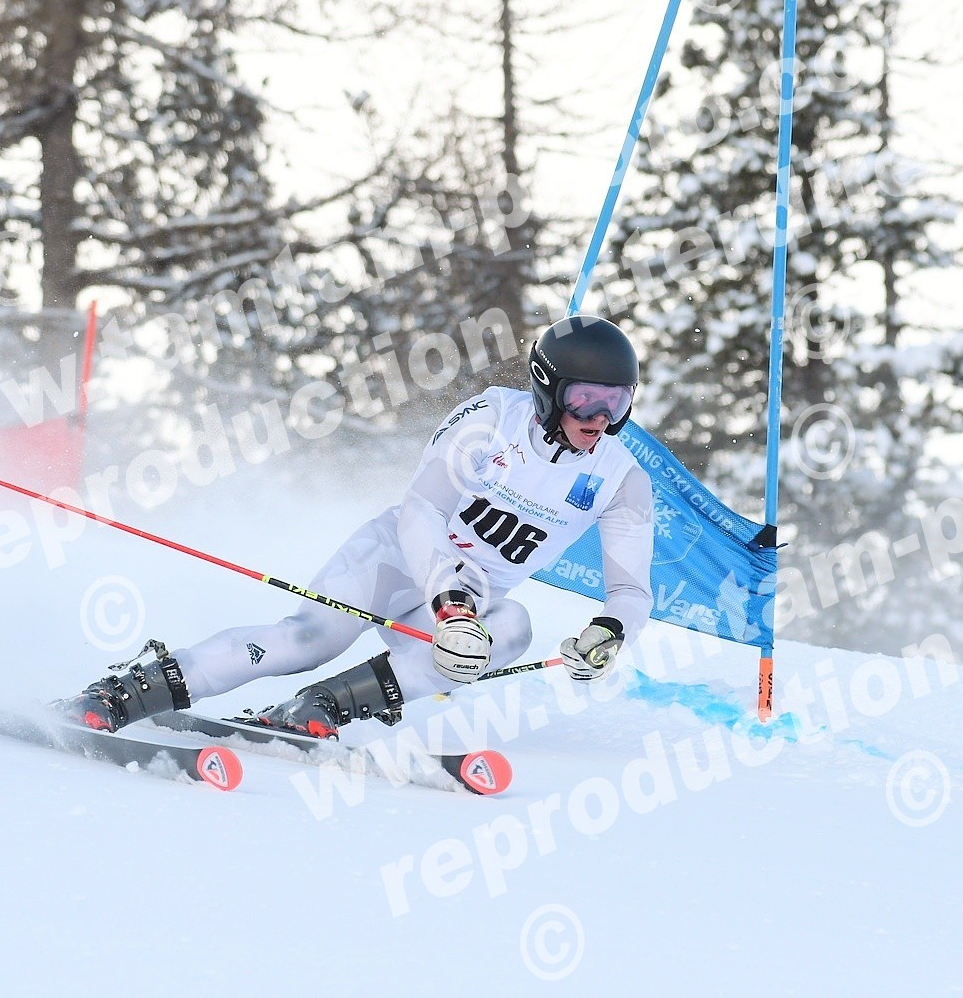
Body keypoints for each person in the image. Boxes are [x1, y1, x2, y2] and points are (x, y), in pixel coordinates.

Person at [59, 315, 654, 739]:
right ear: (548, 389)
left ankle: (322, 707)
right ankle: (125, 693)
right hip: (394, 561)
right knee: (306, 642)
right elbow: (422, 511)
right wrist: (449, 603)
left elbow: (630, 592)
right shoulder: (492, 419)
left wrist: (610, 633)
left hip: (468, 601)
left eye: (617, 403)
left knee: (514, 627)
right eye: (586, 399)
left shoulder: (622, 478)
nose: (600, 419)